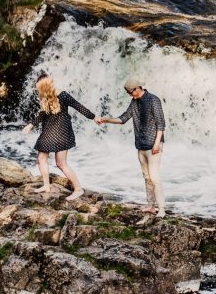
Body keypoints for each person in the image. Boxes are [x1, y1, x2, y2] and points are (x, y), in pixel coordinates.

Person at [22, 73, 98, 202]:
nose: (38, 90)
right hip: (49, 132)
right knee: (41, 160)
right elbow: (42, 115)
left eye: (39, 88)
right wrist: (31, 124)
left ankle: (78, 189)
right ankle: (46, 185)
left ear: (44, 86)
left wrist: (94, 117)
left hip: (62, 133)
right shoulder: (45, 98)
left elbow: (79, 107)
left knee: (60, 164)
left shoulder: (63, 96)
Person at [96, 77, 166, 216]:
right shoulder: (134, 102)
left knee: (155, 177)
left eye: (130, 92)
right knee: (146, 177)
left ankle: (162, 209)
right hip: (141, 145)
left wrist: (157, 143)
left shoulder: (154, 100)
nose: (129, 95)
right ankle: (151, 206)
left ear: (137, 88)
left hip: (153, 145)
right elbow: (123, 118)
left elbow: (161, 124)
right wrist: (106, 120)